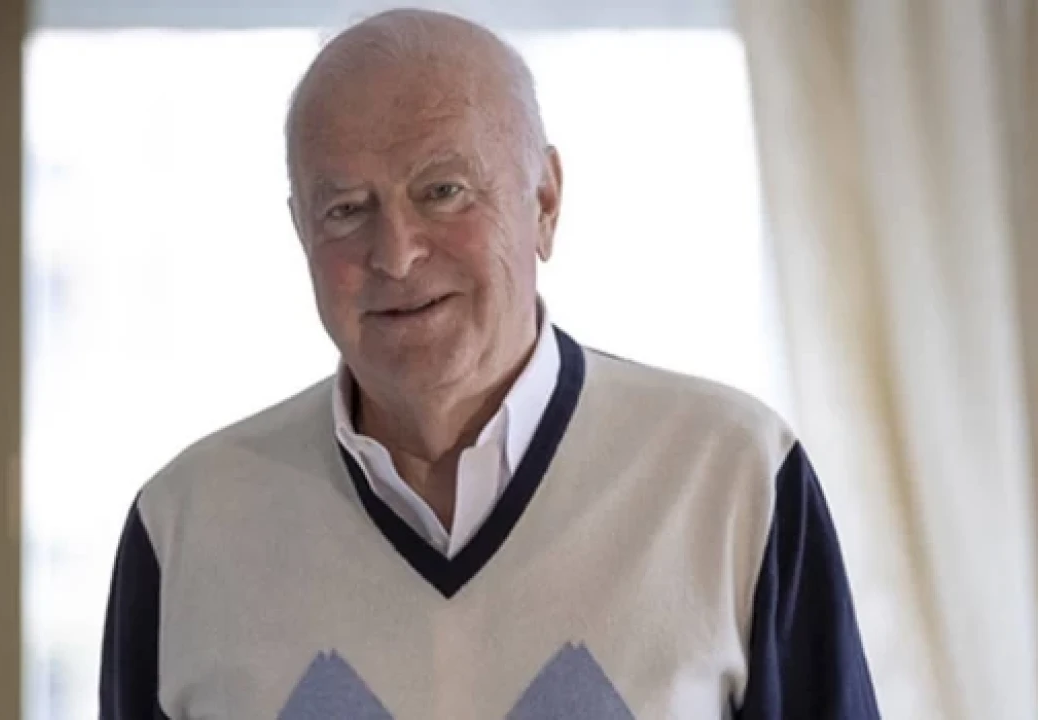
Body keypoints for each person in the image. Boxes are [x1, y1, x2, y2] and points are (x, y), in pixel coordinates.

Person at [99, 8, 880, 719]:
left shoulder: (731, 478)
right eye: (345, 209)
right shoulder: (186, 525)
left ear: (544, 201)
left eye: (443, 191)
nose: (396, 254)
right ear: (301, 231)